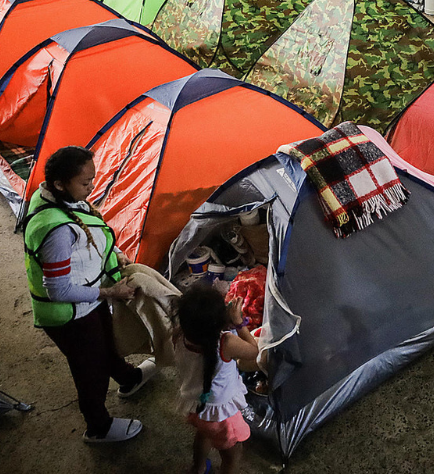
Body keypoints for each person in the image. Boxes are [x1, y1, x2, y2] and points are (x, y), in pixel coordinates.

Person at [23, 145, 157, 443]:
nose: (92, 187)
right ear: (60, 184)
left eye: (93, 179)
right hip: (69, 313)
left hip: (88, 300)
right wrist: (110, 292)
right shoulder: (57, 232)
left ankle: (129, 379)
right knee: (90, 368)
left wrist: (115, 253)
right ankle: (98, 427)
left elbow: (90, 233)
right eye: (85, 182)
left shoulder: (58, 198)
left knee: (106, 343)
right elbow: (58, 289)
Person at [175, 283, 260, 474]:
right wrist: (239, 323)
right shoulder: (226, 343)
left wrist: (221, 322)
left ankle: (197, 468)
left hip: (195, 407)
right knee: (232, 455)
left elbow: (203, 329)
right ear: (219, 323)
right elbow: (254, 351)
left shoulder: (179, 334)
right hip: (221, 416)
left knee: (203, 434)